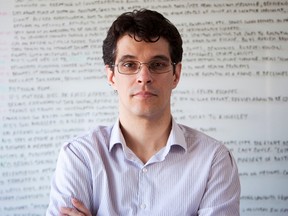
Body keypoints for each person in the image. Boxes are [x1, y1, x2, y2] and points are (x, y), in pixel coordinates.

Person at [46, 9, 240, 216]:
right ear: (111, 76)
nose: (144, 77)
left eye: (157, 64)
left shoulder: (213, 159)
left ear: (176, 75)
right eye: (129, 65)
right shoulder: (79, 156)